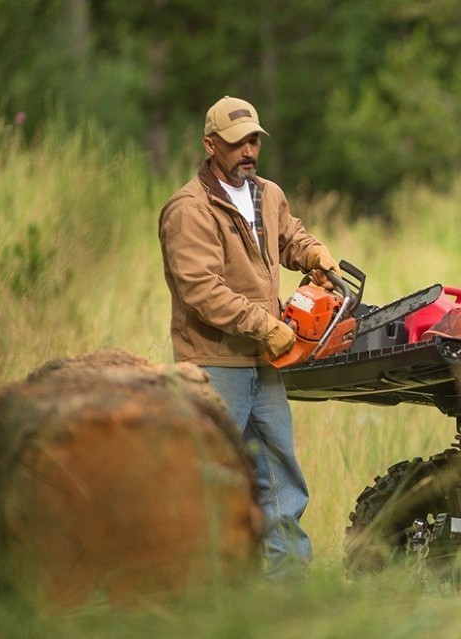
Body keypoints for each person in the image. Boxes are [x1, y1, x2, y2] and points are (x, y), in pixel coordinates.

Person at [158, 96, 339, 579]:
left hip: (265, 365)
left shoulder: (268, 193)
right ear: (210, 144)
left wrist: (315, 254)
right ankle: (194, 593)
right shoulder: (189, 208)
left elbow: (289, 237)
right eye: (237, 143)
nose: (249, 150)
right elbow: (201, 289)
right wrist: (266, 326)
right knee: (206, 482)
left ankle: (288, 594)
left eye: (254, 140)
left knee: (282, 483)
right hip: (214, 367)